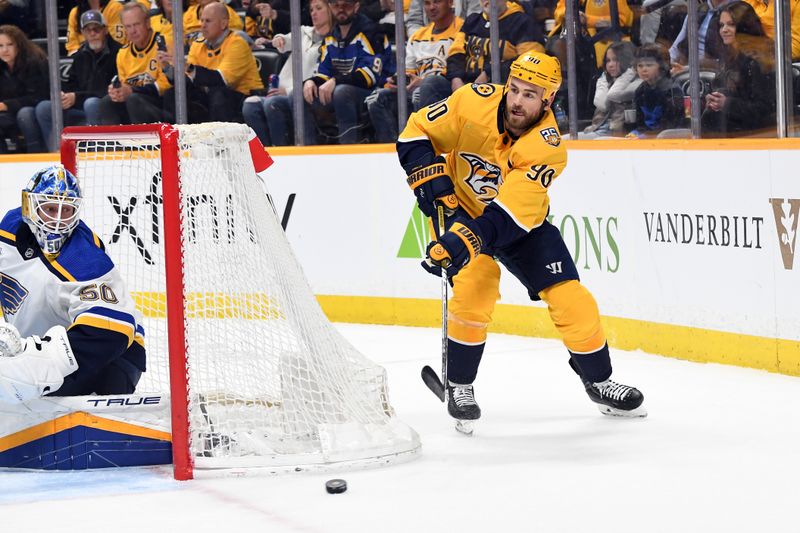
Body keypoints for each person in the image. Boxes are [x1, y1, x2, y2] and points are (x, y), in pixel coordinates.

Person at [396, 51, 646, 427]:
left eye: (530, 95)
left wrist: (458, 244)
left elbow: (507, 216)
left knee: (571, 298)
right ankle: (460, 384)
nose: (516, 100)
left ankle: (599, 380)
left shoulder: (548, 148)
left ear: (548, 100)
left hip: (518, 224)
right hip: (459, 207)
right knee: (476, 285)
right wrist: (430, 179)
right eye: (514, 89)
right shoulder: (471, 101)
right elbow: (415, 133)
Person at [0, 165, 146, 404]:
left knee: (12, 389)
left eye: (66, 210)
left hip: (114, 358)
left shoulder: (84, 259)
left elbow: (111, 332)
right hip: (43, 346)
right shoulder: (9, 229)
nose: (57, 220)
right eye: (49, 208)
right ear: (29, 206)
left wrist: (38, 363)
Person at [366, 0, 463, 143]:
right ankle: (392, 148)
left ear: (450, 2)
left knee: (424, 88)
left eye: (437, 2)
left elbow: (460, 70)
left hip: (447, 90)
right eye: (427, 3)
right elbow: (409, 70)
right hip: (418, 87)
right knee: (377, 98)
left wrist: (422, 83)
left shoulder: (463, 29)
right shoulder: (417, 36)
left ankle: (425, 146)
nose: (431, 7)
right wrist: (399, 81)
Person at [243, 0, 332, 145]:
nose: (314, 13)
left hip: (305, 93)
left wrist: (289, 90)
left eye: (319, 8)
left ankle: (282, 152)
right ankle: (265, 154)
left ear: (330, 10)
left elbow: (323, 76)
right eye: (311, 10)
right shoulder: (303, 32)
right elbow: (285, 40)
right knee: (250, 105)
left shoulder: (333, 40)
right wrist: (278, 39)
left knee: (273, 103)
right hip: (281, 91)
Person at [161, 1, 264, 123]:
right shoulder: (198, 44)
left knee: (219, 94)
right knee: (173, 94)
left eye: (208, 21)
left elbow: (222, 80)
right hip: (212, 96)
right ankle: (181, 138)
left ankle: (218, 141)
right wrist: (168, 68)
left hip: (242, 98)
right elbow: (189, 81)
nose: (202, 25)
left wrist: (188, 67)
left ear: (223, 23)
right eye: (202, 20)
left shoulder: (237, 43)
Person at [35, 10, 122, 152]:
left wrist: (77, 97)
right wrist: (64, 95)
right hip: (80, 106)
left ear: (105, 30)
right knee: (44, 108)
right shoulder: (80, 56)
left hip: (106, 108)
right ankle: (56, 153)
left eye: (96, 29)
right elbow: (71, 83)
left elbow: (110, 90)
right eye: (88, 30)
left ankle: (98, 152)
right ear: (82, 32)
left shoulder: (118, 53)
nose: (92, 34)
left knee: (91, 103)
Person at [302, 0, 386, 144]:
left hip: (375, 91)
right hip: (342, 89)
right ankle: (307, 152)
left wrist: (336, 81)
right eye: (336, 5)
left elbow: (370, 76)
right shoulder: (331, 37)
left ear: (356, 6)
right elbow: (323, 72)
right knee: (299, 95)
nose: (341, 9)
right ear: (330, 7)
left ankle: (348, 149)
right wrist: (311, 82)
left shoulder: (371, 32)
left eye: (346, 5)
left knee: (342, 92)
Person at [701, 1, 775, 136]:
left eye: (731, 24)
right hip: (733, 128)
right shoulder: (730, 56)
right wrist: (714, 101)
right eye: (722, 25)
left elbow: (765, 108)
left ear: (745, 25)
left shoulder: (758, 60)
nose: (724, 30)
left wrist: (727, 103)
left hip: (758, 134)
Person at [96, 2, 172, 126]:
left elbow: (166, 85)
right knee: (106, 102)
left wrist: (132, 90)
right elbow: (124, 85)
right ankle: (114, 144)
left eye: (136, 24)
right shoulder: (123, 53)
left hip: (160, 103)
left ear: (147, 23)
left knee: (134, 99)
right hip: (134, 102)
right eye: (128, 26)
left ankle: (144, 145)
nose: (133, 31)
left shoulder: (163, 44)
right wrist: (117, 92)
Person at [446, 0, 544, 93]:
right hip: (464, 84)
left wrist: (487, 74)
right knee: (433, 83)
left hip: (502, 86)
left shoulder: (523, 22)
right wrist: (456, 79)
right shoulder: (472, 20)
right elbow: (455, 52)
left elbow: (529, 62)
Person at [0, 24, 48, 154]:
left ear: (19, 45)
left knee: (25, 114)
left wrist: (6, 105)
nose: (5, 50)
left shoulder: (34, 62)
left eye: (9, 44)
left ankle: (35, 153)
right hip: (9, 111)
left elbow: (39, 96)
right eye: (0, 46)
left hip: (34, 108)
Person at [583, 41, 640, 137]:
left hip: (618, 134)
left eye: (615, 60)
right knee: (564, 141)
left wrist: (628, 73)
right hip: (597, 130)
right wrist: (603, 79)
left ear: (627, 60)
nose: (610, 65)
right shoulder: (608, 81)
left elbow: (613, 95)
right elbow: (601, 104)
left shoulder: (636, 82)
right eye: (608, 61)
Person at [628, 43, 684, 138]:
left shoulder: (672, 90)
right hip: (647, 137)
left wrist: (646, 136)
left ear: (662, 67)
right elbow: (640, 125)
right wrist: (636, 134)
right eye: (640, 65)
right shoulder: (640, 91)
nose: (643, 70)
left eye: (649, 65)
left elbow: (671, 126)